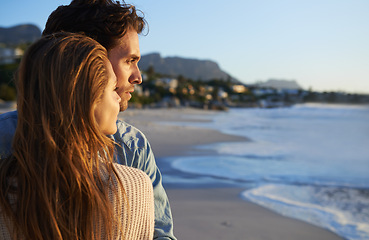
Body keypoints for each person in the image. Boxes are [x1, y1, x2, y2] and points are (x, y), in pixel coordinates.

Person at [0, 1, 176, 239]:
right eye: (129, 61)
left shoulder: (133, 147)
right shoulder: (3, 139)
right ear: (81, 62)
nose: (138, 77)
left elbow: (160, 234)